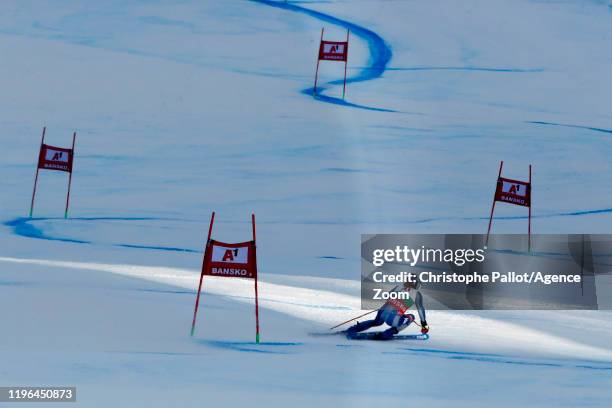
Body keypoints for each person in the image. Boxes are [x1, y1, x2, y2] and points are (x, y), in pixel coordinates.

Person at [346, 279, 428, 340]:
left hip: (383, 312)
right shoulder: (417, 294)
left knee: (377, 322)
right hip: (393, 319)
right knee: (411, 317)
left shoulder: (398, 287)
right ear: (417, 285)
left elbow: (388, 296)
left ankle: (353, 329)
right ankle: (389, 333)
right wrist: (424, 324)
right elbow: (420, 309)